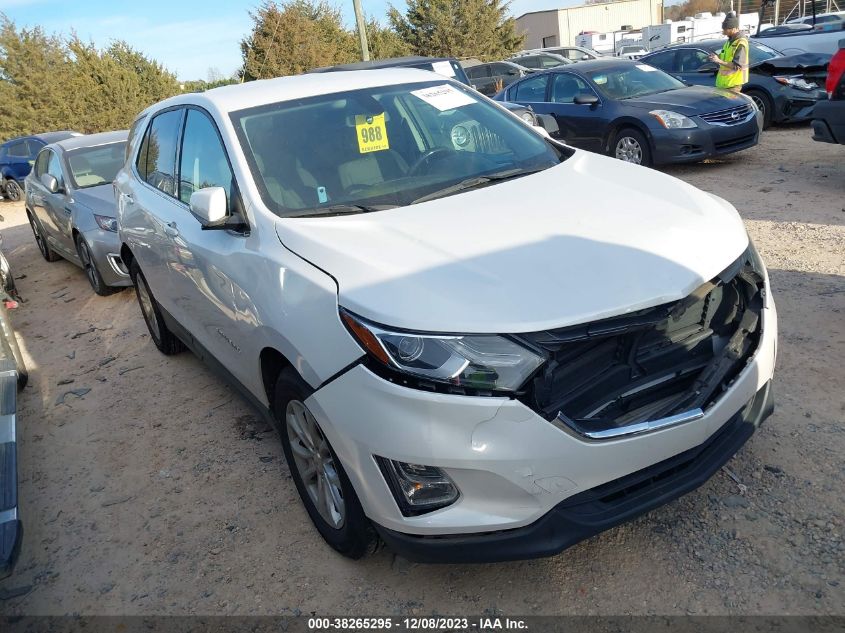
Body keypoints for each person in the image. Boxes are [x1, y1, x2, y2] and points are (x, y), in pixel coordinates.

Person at [708, 12, 749, 92]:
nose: (723, 32)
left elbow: (737, 65)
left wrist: (718, 61)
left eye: (725, 29)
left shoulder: (741, 43)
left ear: (733, 28)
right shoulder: (729, 41)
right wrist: (716, 57)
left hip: (733, 85)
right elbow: (725, 57)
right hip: (724, 85)